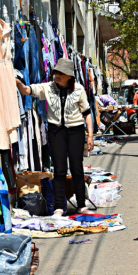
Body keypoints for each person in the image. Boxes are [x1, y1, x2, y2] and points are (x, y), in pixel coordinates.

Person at [15, 58, 94, 215]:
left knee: (77, 168)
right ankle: (59, 206)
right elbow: (27, 90)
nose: (56, 76)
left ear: (69, 76)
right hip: (55, 131)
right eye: (56, 72)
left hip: (75, 131)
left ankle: (81, 205)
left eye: (60, 73)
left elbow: (87, 114)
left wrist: (90, 136)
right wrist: (17, 83)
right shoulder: (48, 88)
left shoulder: (78, 89)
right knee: (59, 170)